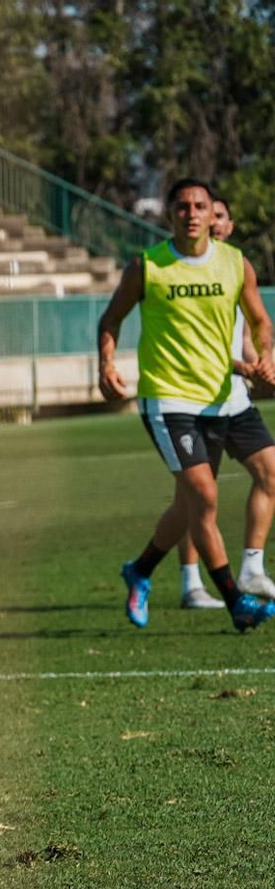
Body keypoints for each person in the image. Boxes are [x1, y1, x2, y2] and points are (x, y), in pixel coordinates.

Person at [102, 176, 275, 631]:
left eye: (200, 206)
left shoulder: (235, 264)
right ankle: (236, 600)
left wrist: (267, 356)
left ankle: (141, 569)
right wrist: (106, 364)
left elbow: (260, 321)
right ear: (170, 215)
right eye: (183, 207)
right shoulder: (148, 267)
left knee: (224, 491)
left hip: (225, 398)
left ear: (212, 213)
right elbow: (111, 318)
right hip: (170, 398)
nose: (193, 214)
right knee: (203, 495)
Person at [169, 195, 275, 605]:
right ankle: (191, 584)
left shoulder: (236, 267)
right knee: (194, 498)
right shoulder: (182, 273)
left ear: (229, 225)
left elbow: (247, 336)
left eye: (219, 215)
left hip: (235, 399)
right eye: (203, 213)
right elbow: (191, 346)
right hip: (193, 401)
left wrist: (262, 363)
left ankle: (252, 569)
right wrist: (242, 367)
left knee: (270, 474)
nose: (211, 221)